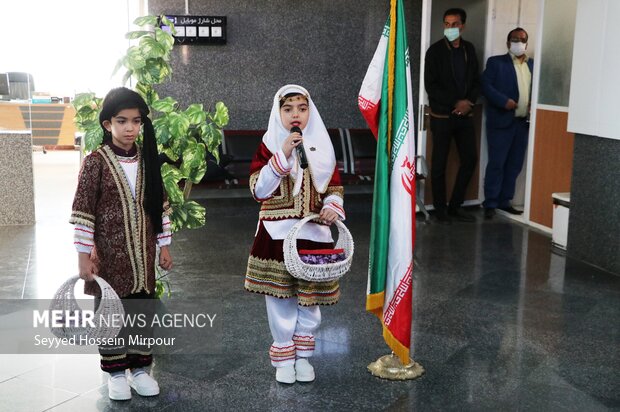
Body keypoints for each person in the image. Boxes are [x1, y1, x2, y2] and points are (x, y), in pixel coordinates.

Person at [70, 87, 173, 401]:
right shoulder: (95, 163)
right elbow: (83, 212)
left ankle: (140, 369)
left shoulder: (147, 162)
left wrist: (164, 246)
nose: (130, 128)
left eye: (136, 121)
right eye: (122, 121)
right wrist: (83, 256)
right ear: (107, 124)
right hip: (110, 259)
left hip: (143, 257)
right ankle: (116, 372)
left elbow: (160, 206)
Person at [244, 84, 345, 384]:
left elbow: (334, 186)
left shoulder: (322, 145)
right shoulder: (268, 146)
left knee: (309, 299)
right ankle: (284, 358)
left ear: (310, 111)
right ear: (278, 113)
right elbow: (258, 189)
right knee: (281, 299)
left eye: (301, 108)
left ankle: (304, 356)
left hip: (313, 233)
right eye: (288, 109)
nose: (295, 115)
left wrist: (332, 206)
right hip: (276, 235)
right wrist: (281, 156)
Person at [424, 7, 480, 223]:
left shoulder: (469, 49)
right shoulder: (435, 51)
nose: (450, 28)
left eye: (454, 24)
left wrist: (469, 103)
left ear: (462, 26)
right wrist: (456, 103)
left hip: (464, 116)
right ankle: (440, 211)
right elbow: (432, 86)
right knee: (439, 165)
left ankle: (455, 206)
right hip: (442, 117)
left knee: (470, 160)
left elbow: (476, 80)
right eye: (446, 24)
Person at [481, 28, 533, 219]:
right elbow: (486, 86)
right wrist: (504, 101)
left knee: (515, 164)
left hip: (522, 124)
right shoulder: (496, 63)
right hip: (501, 122)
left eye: (522, 40)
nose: (518, 42)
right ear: (507, 42)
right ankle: (490, 203)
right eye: (514, 39)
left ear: (526, 43)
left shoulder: (532, 65)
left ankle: (505, 201)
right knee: (497, 163)